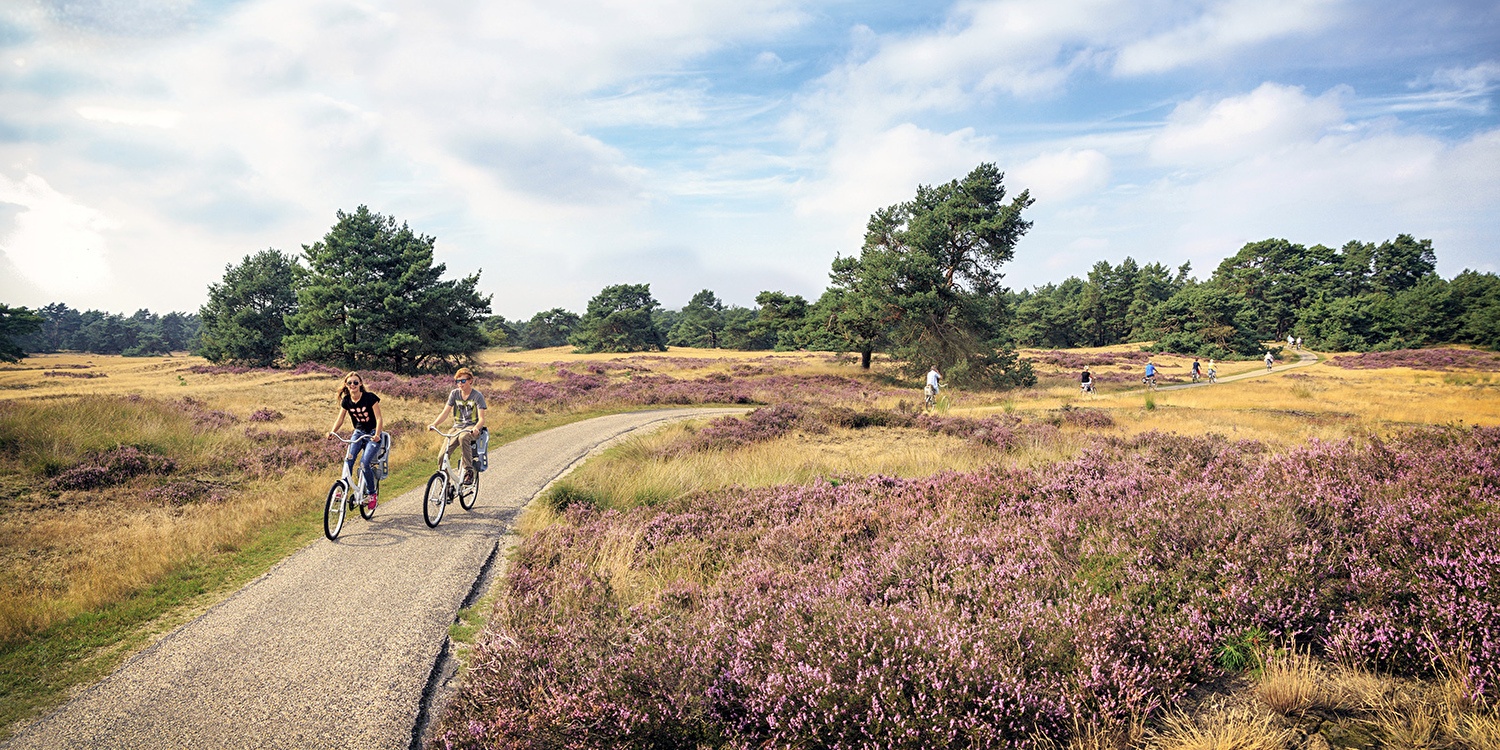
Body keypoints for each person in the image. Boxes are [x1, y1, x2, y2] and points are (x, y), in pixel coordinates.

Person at [327, 371, 383, 510]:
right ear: (346, 384)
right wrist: (333, 432)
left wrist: (377, 434)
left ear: (361, 384)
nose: (353, 385)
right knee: (349, 459)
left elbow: (379, 418)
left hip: (371, 434)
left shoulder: (370, 398)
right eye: (350, 383)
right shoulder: (346, 400)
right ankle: (344, 488)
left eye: (356, 382)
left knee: (364, 463)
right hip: (358, 433)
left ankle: (372, 494)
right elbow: (340, 419)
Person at [428, 367, 487, 486]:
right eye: (458, 381)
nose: (460, 384)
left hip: (471, 427)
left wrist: (476, 428)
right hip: (456, 427)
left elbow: (481, 418)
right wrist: (434, 424)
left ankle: (468, 471)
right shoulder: (454, 394)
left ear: (470, 380)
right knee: (441, 457)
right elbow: (445, 412)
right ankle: (446, 484)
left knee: (463, 437)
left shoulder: (477, 396)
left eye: (463, 381)